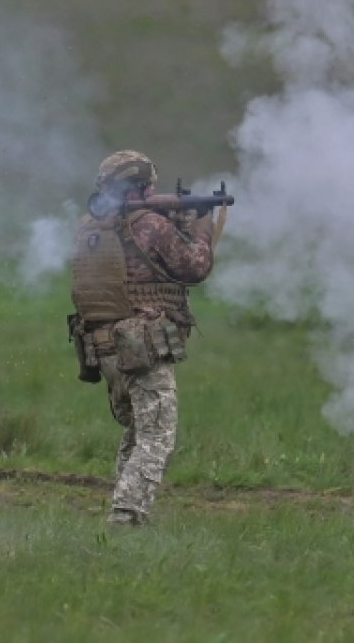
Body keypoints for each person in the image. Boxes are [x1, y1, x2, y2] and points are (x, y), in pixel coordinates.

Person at [68, 150, 215, 526]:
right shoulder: (150, 224)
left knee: (137, 434)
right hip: (141, 346)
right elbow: (194, 267)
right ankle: (127, 514)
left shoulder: (89, 228)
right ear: (141, 186)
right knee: (157, 435)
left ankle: (125, 502)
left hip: (102, 348)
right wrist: (200, 227)